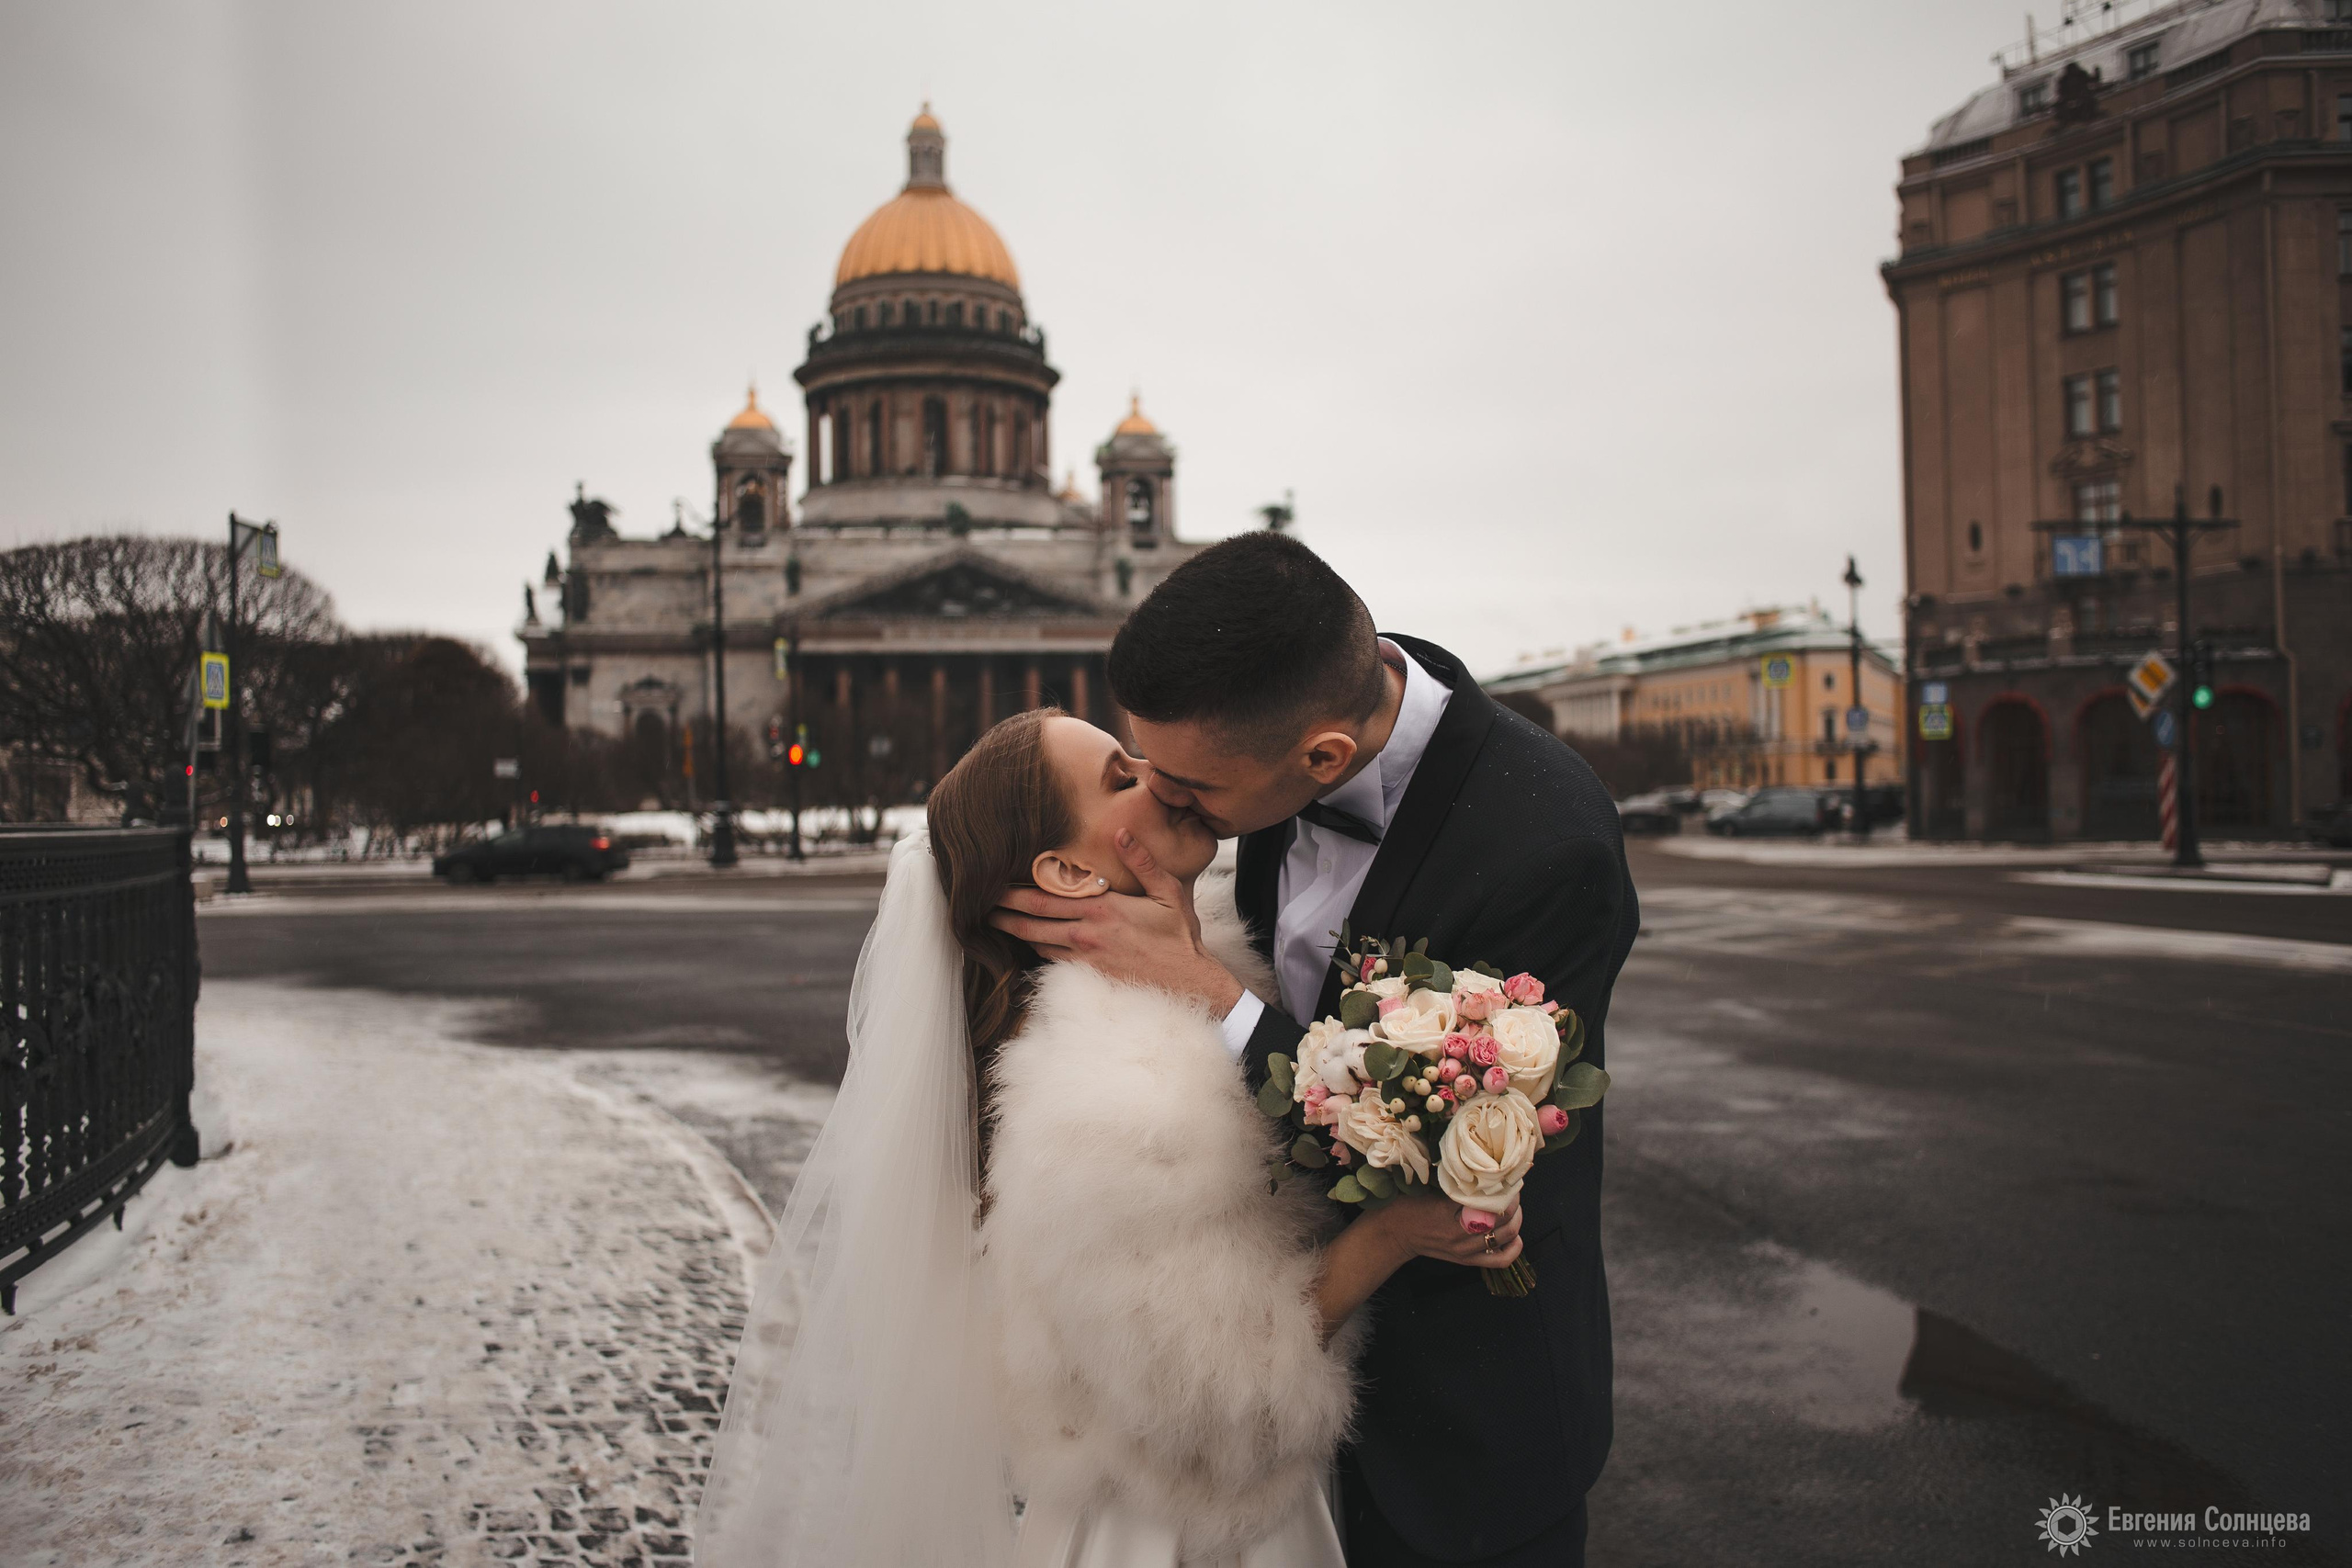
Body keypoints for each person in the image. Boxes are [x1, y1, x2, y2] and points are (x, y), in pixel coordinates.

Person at [696, 706, 1530, 1568]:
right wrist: (1395, 1232)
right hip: (1193, 1533)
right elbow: (1221, 1404)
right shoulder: (1113, 1085)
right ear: (1062, 868)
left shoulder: (1188, 971)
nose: (1158, 776)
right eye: (1121, 777)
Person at [991, 533, 1639, 1567]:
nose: (1164, 798)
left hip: (1464, 1407)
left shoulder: (1546, 844)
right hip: (1253, 1423)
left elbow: (1472, 1149)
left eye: (1190, 785)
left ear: (1324, 759)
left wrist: (1208, 995)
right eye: (1143, 765)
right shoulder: (1255, 746)